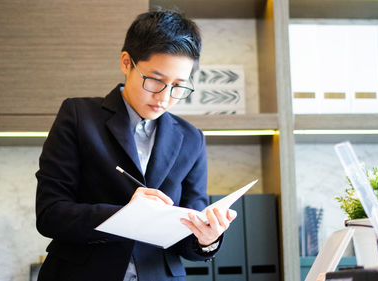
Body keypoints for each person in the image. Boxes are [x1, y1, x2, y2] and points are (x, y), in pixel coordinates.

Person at [35, 9, 237, 281]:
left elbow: (188, 240)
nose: (165, 97)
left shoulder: (191, 139)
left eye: (179, 85)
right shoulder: (78, 115)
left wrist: (207, 239)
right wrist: (126, 215)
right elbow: (50, 214)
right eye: (155, 80)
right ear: (126, 62)